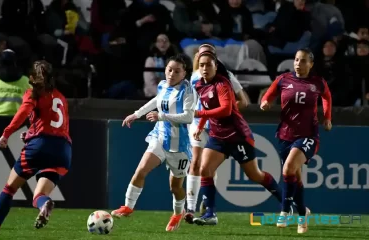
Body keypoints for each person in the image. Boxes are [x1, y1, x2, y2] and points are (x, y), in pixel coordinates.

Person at [0, 60, 72, 240]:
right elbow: (56, 126)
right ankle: (45, 204)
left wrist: (6, 134)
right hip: (63, 151)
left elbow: (22, 113)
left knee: (9, 189)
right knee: (39, 195)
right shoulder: (60, 97)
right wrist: (30, 134)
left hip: (40, 147)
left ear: (32, 78)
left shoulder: (34, 93)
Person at [190, 51, 282, 226]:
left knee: (255, 175)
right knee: (205, 169)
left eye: (208, 65)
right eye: (201, 65)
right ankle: (210, 214)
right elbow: (207, 107)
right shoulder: (200, 86)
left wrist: (200, 113)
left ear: (216, 67)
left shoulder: (222, 84)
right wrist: (201, 125)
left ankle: (287, 202)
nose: (204, 68)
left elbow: (225, 109)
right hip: (218, 136)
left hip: (237, 136)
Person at [111, 54, 195, 232]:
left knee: (175, 188)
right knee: (141, 170)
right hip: (160, 136)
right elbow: (156, 101)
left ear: (184, 74)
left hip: (179, 146)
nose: (171, 74)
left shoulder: (188, 91)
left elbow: (188, 117)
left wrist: (161, 116)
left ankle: (177, 213)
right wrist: (137, 114)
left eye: (176, 71)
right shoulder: (163, 84)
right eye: (169, 69)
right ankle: (128, 206)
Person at [260, 48, 332, 234]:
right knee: (295, 176)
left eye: (303, 61)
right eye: (297, 60)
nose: (299, 64)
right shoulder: (284, 79)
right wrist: (265, 102)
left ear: (311, 64)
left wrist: (327, 117)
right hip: (285, 135)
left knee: (288, 168)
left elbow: (327, 97)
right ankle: (302, 214)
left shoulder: (317, 82)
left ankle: (284, 211)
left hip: (308, 135)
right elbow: (269, 94)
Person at [185, 43, 254, 223]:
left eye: (208, 56)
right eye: (201, 56)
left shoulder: (227, 77)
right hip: (198, 122)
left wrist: (224, 109)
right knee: (196, 161)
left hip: (219, 124)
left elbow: (244, 101)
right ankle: (190, 207)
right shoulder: (194, 77)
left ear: (215, 60)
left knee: (208, 167)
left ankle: (206, 204)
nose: (204, 61)